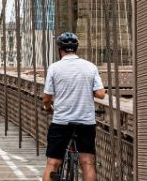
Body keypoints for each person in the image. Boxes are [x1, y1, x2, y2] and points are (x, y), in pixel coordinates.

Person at [41, 32, 105, 181]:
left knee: (53, 162)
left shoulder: (54, 68)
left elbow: (47, 97)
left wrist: (47, 107)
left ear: (59, 50)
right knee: (87, 162)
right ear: (76, 49)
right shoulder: (90, 67)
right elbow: (101, 94)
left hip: (61, 121)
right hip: (86, 122)